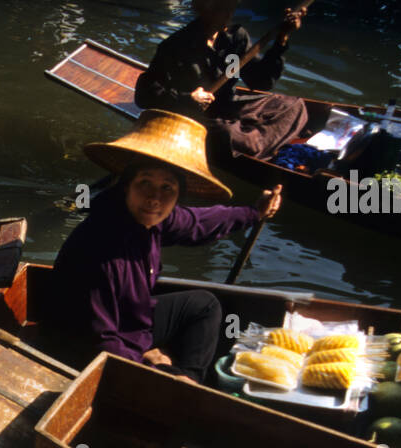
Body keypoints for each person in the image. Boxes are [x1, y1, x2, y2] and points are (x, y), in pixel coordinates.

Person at [44, 110, 282, 382]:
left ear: (178, 195)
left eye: (167, 188)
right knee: (161, 371)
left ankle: (189, 379)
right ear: (126, 187)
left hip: (130, 321)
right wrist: (156, 370)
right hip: (77, 344)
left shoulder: (151, 219)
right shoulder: (101, 249)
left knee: (203, 305)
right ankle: (181, 387)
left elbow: (198, 222)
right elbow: (98, 341)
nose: (154, 198)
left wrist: (254, 212)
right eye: (145, 183)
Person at [133, 0, 307, 161]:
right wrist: (188, 98)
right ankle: (255, 141)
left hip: (229, 107)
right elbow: (144, 95)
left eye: (232, 3)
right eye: (222, 4)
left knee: (293, 105)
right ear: (203, 4)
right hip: (199, 117)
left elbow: (260, 81)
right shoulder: (175, 46)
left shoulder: (236, 38)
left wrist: (282, 40)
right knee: (228, 135)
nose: (229, 11)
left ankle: (255, 140)